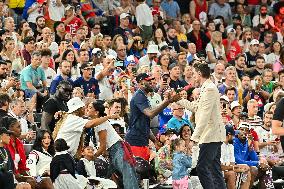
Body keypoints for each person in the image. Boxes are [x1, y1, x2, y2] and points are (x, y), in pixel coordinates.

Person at [177, 63, 226, 189]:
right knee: (214, 169)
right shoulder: (206, 87)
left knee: (202, 167)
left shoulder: (209, 89)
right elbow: (195, 107)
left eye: (193, 74)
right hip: (212, 135)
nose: (192, 76)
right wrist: (176, 100)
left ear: (199, 74)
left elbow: (204, 116)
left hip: (210, 135)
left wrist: (193, 139)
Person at [125, 73, 180, 161]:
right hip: (135, 141)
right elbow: (150, 114)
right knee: (138, 170)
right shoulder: (139, 96)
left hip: (141, 140)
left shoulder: (144, 96)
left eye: (152, 80)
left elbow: (145, 123)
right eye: (148, 80)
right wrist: (168, 101)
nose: (152, 82)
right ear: (140, 83)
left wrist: (154, 140)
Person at [90, 101, 139, 189]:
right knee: (105, 176)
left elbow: (102, 147)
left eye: (90, 108)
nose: (87, 110)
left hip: (117, 148)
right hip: (112, 150)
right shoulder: (96, 122)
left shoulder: (100, 123)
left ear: (96, 112)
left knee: (128, 176)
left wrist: (92, 157)